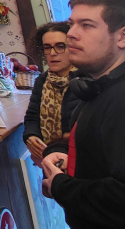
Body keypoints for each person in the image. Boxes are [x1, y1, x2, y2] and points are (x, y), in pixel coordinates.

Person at [41, 0, 125, 228]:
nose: (71, 34)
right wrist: (62, 151)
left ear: (123, 36)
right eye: (72, 24)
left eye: (87, 25)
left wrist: (59, 185)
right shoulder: (94, 86)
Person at [22, 22, 80, 165]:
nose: (52, 53)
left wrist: (56, 145)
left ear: (72, 47)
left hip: (79, 160)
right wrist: (31, 136)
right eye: (47, 47)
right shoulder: (42, 80)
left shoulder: (85, 80)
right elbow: (32, 117)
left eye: (60, 46)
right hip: (49, 159)